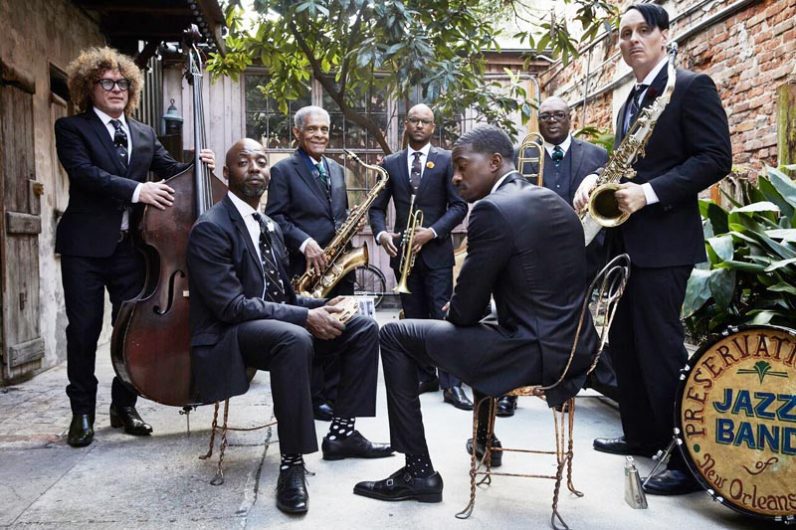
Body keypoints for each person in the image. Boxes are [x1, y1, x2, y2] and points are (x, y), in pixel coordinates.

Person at [354, 125, 596, 503]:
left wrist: (459, 306)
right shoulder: (552, 200)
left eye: (463, 166)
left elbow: (464, 313)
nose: (455, 177)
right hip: (575, 348)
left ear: (495, 162)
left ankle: (417, 472)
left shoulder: (492, 209)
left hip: (533, 353)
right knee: (486, 325)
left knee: (394, 335)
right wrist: (469, 306)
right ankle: (485, 441)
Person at [574, 3, 732, 495]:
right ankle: (642, 435)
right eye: (624, 34)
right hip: (625, 242)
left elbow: (716, 158)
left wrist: (649, 193)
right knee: (624, 343)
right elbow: (632, 163)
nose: (633, 40)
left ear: (664, 35)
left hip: (663, 244)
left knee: (661, 349)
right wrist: (596, 178)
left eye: (643, 30)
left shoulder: (691, 87)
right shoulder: (631, 99)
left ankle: (685, 461)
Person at [187, 138, 392, 515]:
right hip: (229, 335)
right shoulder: (211, 227)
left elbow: (284, 296)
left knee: (362, 326)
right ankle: (292, 462)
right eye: (243, 162)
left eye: (261, 161)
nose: (254, 168)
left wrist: (321, 305)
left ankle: (342, 433)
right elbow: (231, 307)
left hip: (272, 325)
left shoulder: (268, 224)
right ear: (226, 173)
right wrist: (305, 317)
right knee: (294, 337)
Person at [54, 47, 215, 448]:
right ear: (88, 88)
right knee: (84, 330)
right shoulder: (71, 129)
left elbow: (171, 171)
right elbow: (85, 174)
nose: (116, 89)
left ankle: (124, 406)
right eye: (106, 82)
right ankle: (82, 412)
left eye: (123, 82)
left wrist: (199, 165)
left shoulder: (143, 133)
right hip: (85, 249)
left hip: (134, 250)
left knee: (130, 329)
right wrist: (138, 190)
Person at [502, 96, 613, 416]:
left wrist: (596, 177)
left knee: (572, 324)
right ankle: (511, 389)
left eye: (559, 115)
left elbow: (612, 186)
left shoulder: (595, 155)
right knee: (523, 322)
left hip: (583, 252)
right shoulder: (522, 156)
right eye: (546, 116)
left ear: (570, 117)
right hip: (534, 253)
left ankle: (563, 388)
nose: (552, 121)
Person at [368, 104, 470, 411]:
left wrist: (432, 232)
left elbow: (459, 206)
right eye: (414, 120)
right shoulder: (391, 163)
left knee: (442, 319)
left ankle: (451, 384)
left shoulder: (446, 160)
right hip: (403, 255)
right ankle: (425, 376)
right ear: (406, 124)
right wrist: (381, 234)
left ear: (433, 126)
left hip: (436, 254)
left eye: (425, 121)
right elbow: (376, 208)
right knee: (413, 319)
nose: (419, 125)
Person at [265, 106, 349, 421]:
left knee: (341, 327)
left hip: (338, 264)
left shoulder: (336, 169)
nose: (320, 135)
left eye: (324, 129)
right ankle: (313, 399)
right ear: (297, 133)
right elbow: (274, 216)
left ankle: (335, 395)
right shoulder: (283, 170)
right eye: (312, 129)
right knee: (313, 333)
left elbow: (338, 214)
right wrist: (304, 241)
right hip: (305, 268)